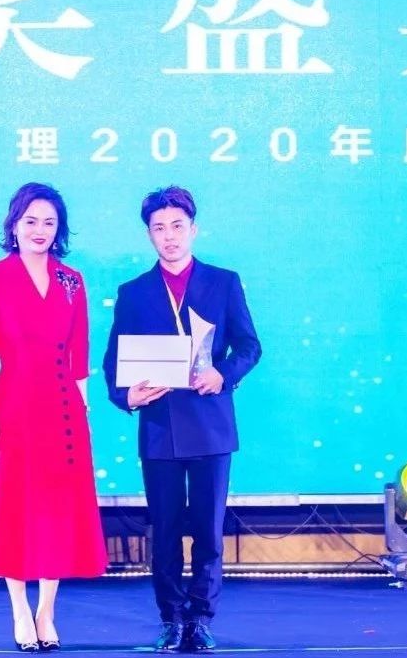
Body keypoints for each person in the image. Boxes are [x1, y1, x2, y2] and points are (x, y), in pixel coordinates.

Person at [102, 186, 261, 653]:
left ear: (194, 229)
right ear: (149, 235)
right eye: (159, 228)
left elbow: (249, 346)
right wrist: (126, 395)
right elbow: (114, 361)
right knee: (166, 530)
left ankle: (202, 618)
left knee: (208, 530)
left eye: (177, 226)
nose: (169, 236)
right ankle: (171, 618)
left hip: (211, 424)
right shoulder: (133, 293)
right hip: (160, 426)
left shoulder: (224, 282)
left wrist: (223, 374)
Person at [0, 182, 108, 653]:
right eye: (30, 221)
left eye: (49, 222)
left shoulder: (71, 280)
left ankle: (46, 610)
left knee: (56, 512)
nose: (39, 230)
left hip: (62, 410)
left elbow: (79, 353)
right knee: (14, 510)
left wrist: (83, 407)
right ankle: (20, 610)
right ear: (14, 225)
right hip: (13, 407)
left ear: (59, 229)